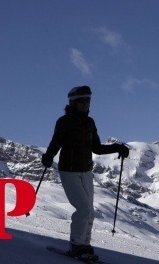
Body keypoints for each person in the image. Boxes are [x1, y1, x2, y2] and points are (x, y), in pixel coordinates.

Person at [41, 86, 129, 261]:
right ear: (74, 103)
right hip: (69, 171)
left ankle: (85, 245)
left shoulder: (90, 123)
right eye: (82, 101)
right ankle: (76, 245)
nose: (86, 104)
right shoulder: (64, 121)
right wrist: (48, 156)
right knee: (83, 209)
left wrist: (118, 148)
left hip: (86, 171)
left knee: (90, 212)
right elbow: (56, 142)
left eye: (88, 100)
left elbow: (96, 148)